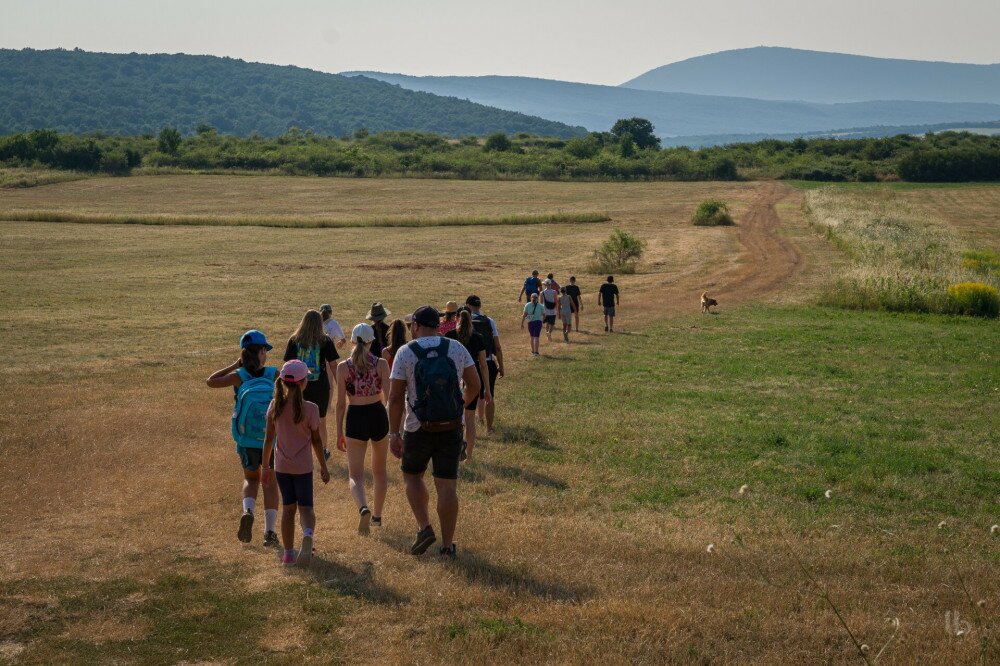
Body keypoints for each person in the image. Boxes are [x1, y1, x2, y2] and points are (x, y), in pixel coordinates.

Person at [387, 306, 479, 559]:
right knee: (447, 487)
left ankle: (425, 527)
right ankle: (448, 546)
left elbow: (395, 398)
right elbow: (475, 385)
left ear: (416, 325)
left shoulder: (405, 353)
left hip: (418, 428)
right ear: (437, 325)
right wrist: (459, 408)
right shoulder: (456, 348)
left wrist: (393, 434)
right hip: (451, 427)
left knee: (413, 476)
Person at [206, 329, 281, 547]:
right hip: (271, 440)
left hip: (246, 439)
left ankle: (248, 510)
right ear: (260, 353)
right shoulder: (273, 374)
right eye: (264, 350)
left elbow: (211, 381)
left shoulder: (239, 377)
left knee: (251, 479)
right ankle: (269, 532)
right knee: (270, 483)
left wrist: (234, 365)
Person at [261, 360, 331, 567]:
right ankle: (308, 535)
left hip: (282, 466)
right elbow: (317, 441)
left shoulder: (275, 405)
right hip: (303, 467)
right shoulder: (311, 409)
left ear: (283, 382)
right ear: (303, 383)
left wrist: (265, 467)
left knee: (288, 509)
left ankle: (288, 554)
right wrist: (324, 468)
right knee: (306, 508)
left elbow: (268, 439)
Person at [335, 323, 391, 535]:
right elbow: (390, 398)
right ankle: (377, 516)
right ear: (371, 342)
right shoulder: (381, 364)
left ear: (352, 341)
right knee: (380, 471)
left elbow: (341, 404)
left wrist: (339, 432)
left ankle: (363, 507)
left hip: (355, 418)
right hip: (377, 415)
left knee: (355, 475)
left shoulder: (343, 367)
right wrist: (395, 427)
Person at [284, 310, 339, 456]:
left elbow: (288, 364)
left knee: (298, 417)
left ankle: (299, 449)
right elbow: (333, 364)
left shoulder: (294, 340)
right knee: (321, 420)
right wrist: (341, 383)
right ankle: (324, 451)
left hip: (299, 385)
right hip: (320, 386)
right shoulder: (325, 340)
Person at [445, 311, 491, 458]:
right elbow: (483, 365)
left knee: (451, 417)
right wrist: (487, 389)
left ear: (457, 318)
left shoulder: (450, 335)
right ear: (471, 320)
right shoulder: (478, 338)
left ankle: (452, 451)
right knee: (470, 418)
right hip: (472, 380)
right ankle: (469, 455)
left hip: (453, 380)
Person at [465, 295, 503, 432]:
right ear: (480, 306)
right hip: (487, 362)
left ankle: (474, 421)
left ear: (468, 305)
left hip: (469, 365)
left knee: (472, 393)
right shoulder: (489, 321)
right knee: (488, 394)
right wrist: (501, 365)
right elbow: (497, 346)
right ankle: (489, 427)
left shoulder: (464, 321)